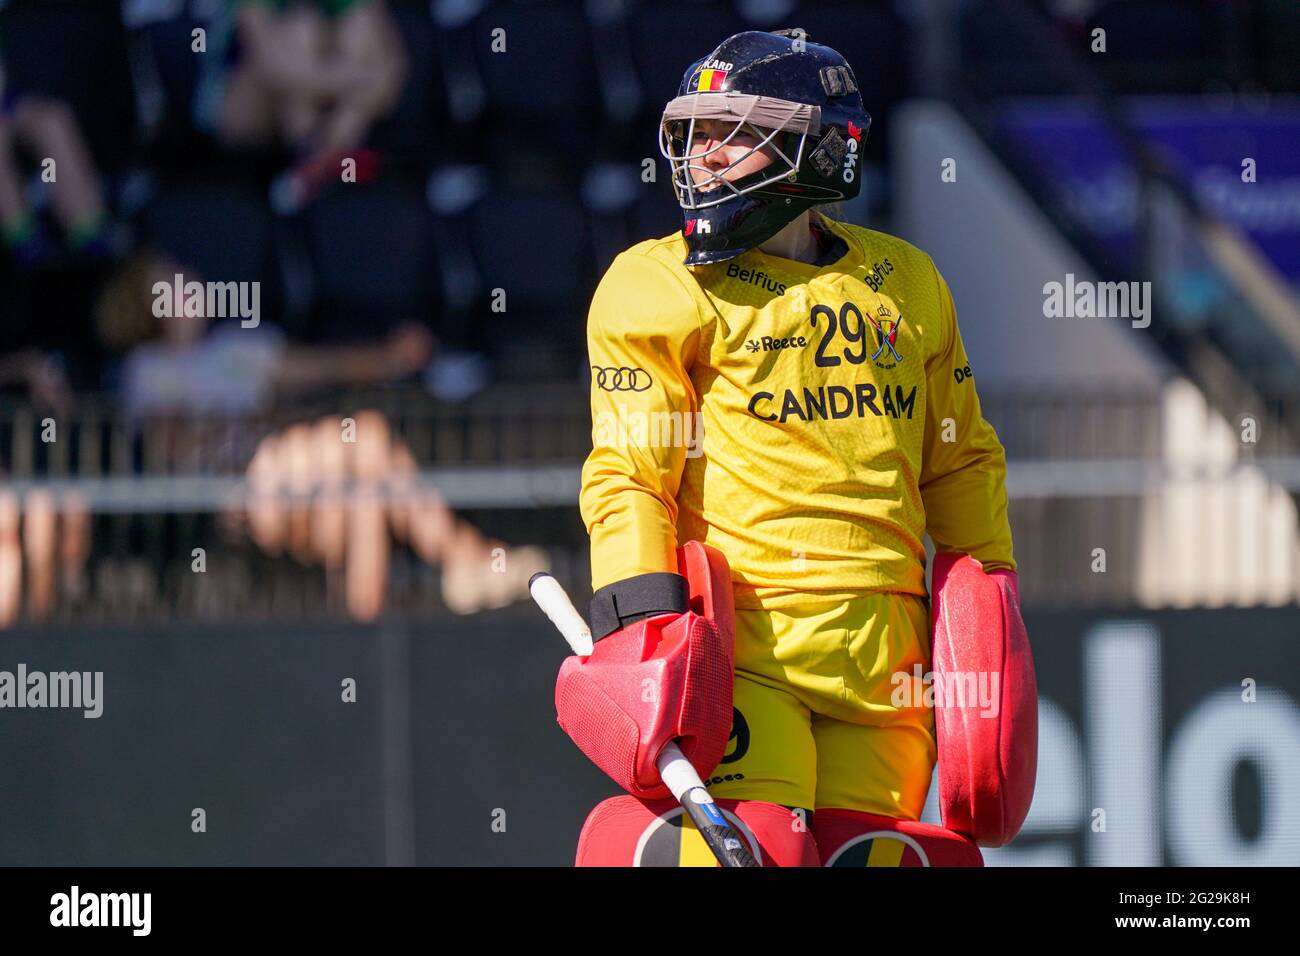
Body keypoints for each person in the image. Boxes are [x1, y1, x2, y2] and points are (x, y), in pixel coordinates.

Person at [577, 30, 1020, 863]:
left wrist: (991, 614)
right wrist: (640, 626)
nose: (703, 154)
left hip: (891, 671)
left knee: (871, 854)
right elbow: (629, 475)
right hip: (742, 655)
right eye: (695, 131)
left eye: (734, 131)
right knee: (765, 849)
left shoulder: (911, 281)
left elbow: (960, 460)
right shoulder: (656, 283)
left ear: (821, 148)